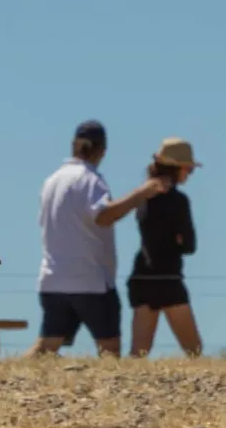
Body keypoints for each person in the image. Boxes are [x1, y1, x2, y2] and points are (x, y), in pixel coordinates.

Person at [26, 120, 172, 358]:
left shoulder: (52, 180)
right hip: (90, 281)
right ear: (101, 150)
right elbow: (103, 215)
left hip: (53, 279)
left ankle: (10, 381)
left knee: (47, 345)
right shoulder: (90, 180)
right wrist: (143, 192)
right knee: (109, 348)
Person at [127, 137, 203, 357]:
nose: (189, 174)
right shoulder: (178, 201)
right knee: (194, 350)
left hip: (142, 277)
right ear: (178, 168)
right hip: (168, 278)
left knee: (138, 353)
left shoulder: (142, 197)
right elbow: (190, 245)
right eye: (189, 169)